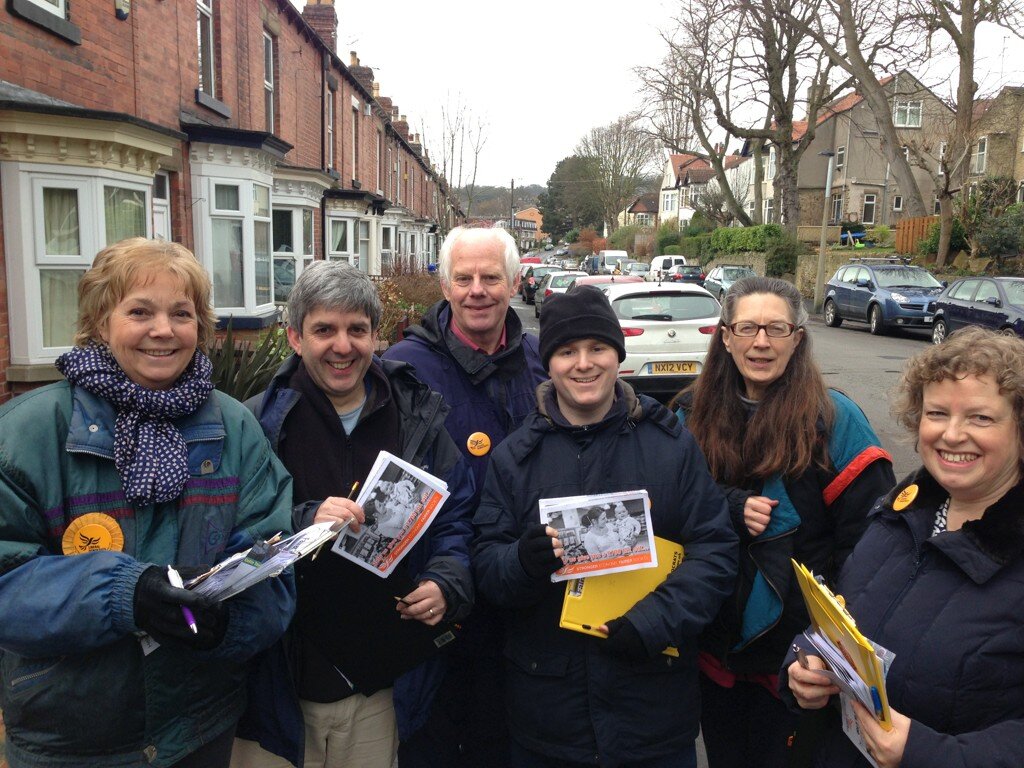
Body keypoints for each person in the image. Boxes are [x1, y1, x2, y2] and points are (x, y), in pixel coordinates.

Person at [0, 238, 296, 768]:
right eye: (139, 311)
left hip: (198, 728)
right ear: (99, 321)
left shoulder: (236, 429)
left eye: (181, 314)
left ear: (199, 328)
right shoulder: (27, 433)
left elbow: (271, 563)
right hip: (70, 743)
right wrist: (124, 595)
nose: (163, 330)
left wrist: (228, 624)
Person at [473, 285, 739, 768]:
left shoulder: (672, 445)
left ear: (618, 356)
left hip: (652, 713)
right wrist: (521, 562)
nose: (584, 364)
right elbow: (486, 567)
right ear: (548, 363)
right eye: (567, 351)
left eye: (597, 348)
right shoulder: (514, 458)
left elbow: (715, 552)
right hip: (549, 719)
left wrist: (654, 622)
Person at [231, 261, 475, 768]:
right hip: (277, 685)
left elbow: (458, 515)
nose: (342, 346)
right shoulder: (256, 423)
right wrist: (302, 519)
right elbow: (226, 533)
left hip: (377, 688)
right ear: (295, 337)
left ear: (375, 336)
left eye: (356, 330)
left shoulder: (416, 415)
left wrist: (447, 580)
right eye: (324, 329)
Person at [672, 276, 895, 768]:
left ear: (798, 338)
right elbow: (668, 509)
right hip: (716, 653)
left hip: (804, 665)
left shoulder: (836, 421)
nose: (761, 342)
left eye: (777, 328)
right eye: (747, 327)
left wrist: (831, 650)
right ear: (725, 337)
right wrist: (727, 503)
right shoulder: (692, 413)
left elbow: (873, 548)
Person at [785, 327, 1024, 768]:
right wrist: (804, 663)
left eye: (981, 418)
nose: (952, 435)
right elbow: (842, 615)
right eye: (937, 413)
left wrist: (923, 753)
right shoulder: (897, 512)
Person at [383, 225, 546, 767]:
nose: (478, 290)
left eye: (491, 277)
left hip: (523, 590)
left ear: (515, 282)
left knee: (503, 739)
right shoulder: (402, 367)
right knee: (429, 740)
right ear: (445, 287)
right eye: (464, 278)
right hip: (437, 596)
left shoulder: (542, 362)